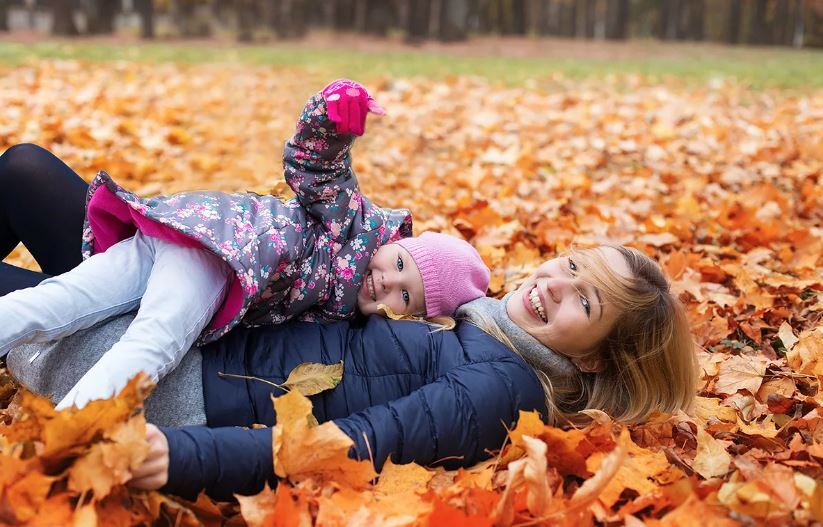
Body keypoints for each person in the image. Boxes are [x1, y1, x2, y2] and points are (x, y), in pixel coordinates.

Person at [0, 143, 698, 502]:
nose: (551, 284)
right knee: (26, 171)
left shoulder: (501, 387)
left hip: (176, 378)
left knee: (23, 244)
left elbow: (361, 442)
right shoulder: (468, 321)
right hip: (204, 324)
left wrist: (185, 457)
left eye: (584, 301)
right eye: (568, 265)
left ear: (597, 359)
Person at [0, 79, 490, 412]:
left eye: (404, 295)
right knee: (151, 343)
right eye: (400, 263)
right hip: (221, 259)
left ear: (414, 321)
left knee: (59, 301)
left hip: (176, 236)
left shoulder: (348, 316)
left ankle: (64, 425)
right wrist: (333, 113)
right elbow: (315, 164)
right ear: (397, 240)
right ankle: (69, 430)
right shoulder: (353, 224)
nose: (386, 280)